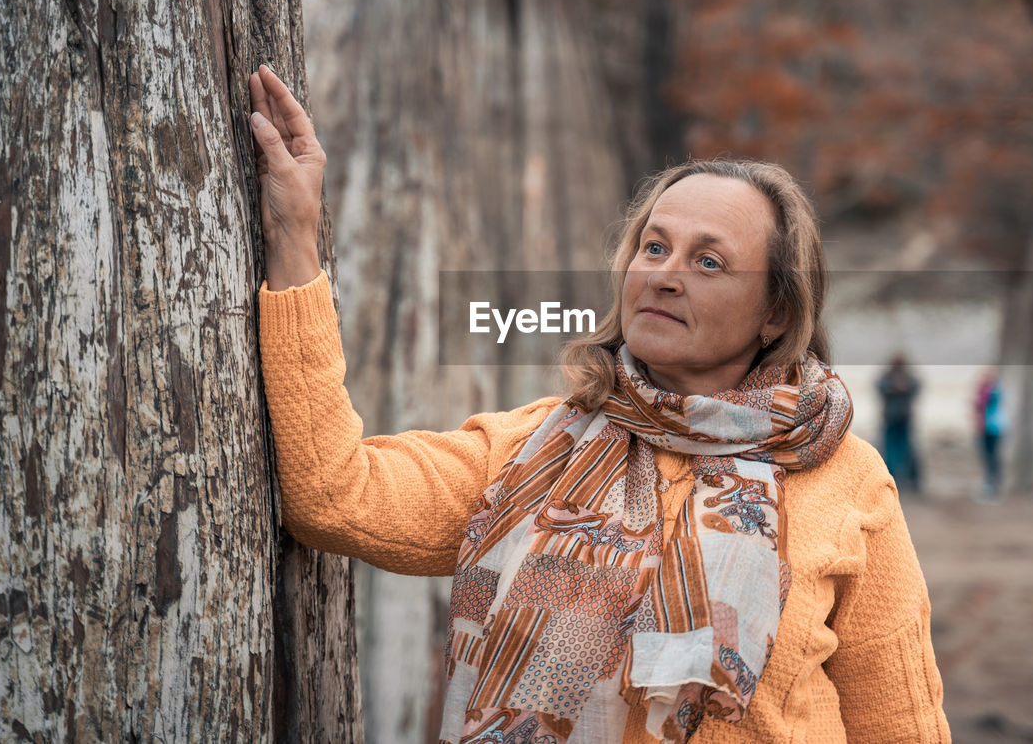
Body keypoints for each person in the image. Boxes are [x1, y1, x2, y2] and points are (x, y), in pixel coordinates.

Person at [248, 64, 950, 743]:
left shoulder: (848, 480)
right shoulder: (529, 450)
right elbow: (332, 492)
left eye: (708, 261)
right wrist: (293, 237)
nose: (665, 275)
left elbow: (902, 726)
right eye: (654, 246)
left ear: (774, 312)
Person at [876, 353, 922, 493]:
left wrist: (899, 388)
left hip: (902, 418)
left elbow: (916, 387)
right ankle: (893, 477)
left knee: (904, 448)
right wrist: (896, 388)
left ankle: (908, 479)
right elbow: (880, 387)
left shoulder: (904, 376)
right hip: (893, 418)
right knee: (891, 448)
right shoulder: (891, 376)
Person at [972, 367, 1007, 502]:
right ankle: (990, 485)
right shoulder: (988, 391)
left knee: (991, 458)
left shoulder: (992, 392)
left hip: (992, 429)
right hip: (987, 428)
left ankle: (992, 486)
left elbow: (981, 407)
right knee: (988, 458)